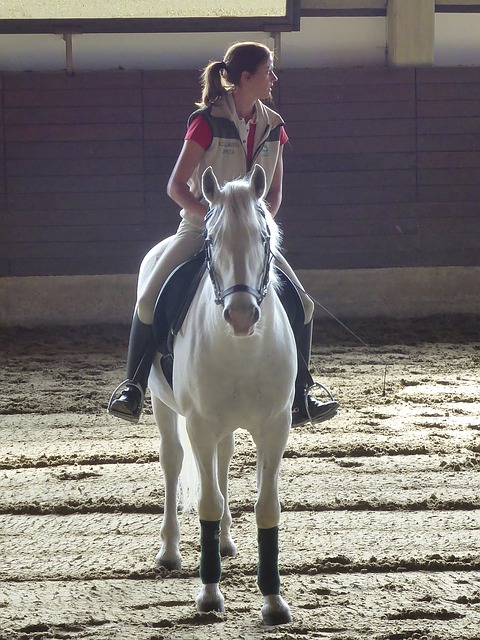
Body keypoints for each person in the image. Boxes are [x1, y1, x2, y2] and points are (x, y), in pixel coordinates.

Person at [108, 41, 339, 427]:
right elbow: (176, 186)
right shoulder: (206, 121)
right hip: (199, 228)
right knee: (148, 300)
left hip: (250, 235)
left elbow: (275, 192)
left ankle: (302, 391)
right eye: (269, 71)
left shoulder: (274, 126)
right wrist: (216, 216)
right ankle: (133, 387)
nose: (274, 78)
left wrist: (254, 222)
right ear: (246, 77)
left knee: (304, 303)